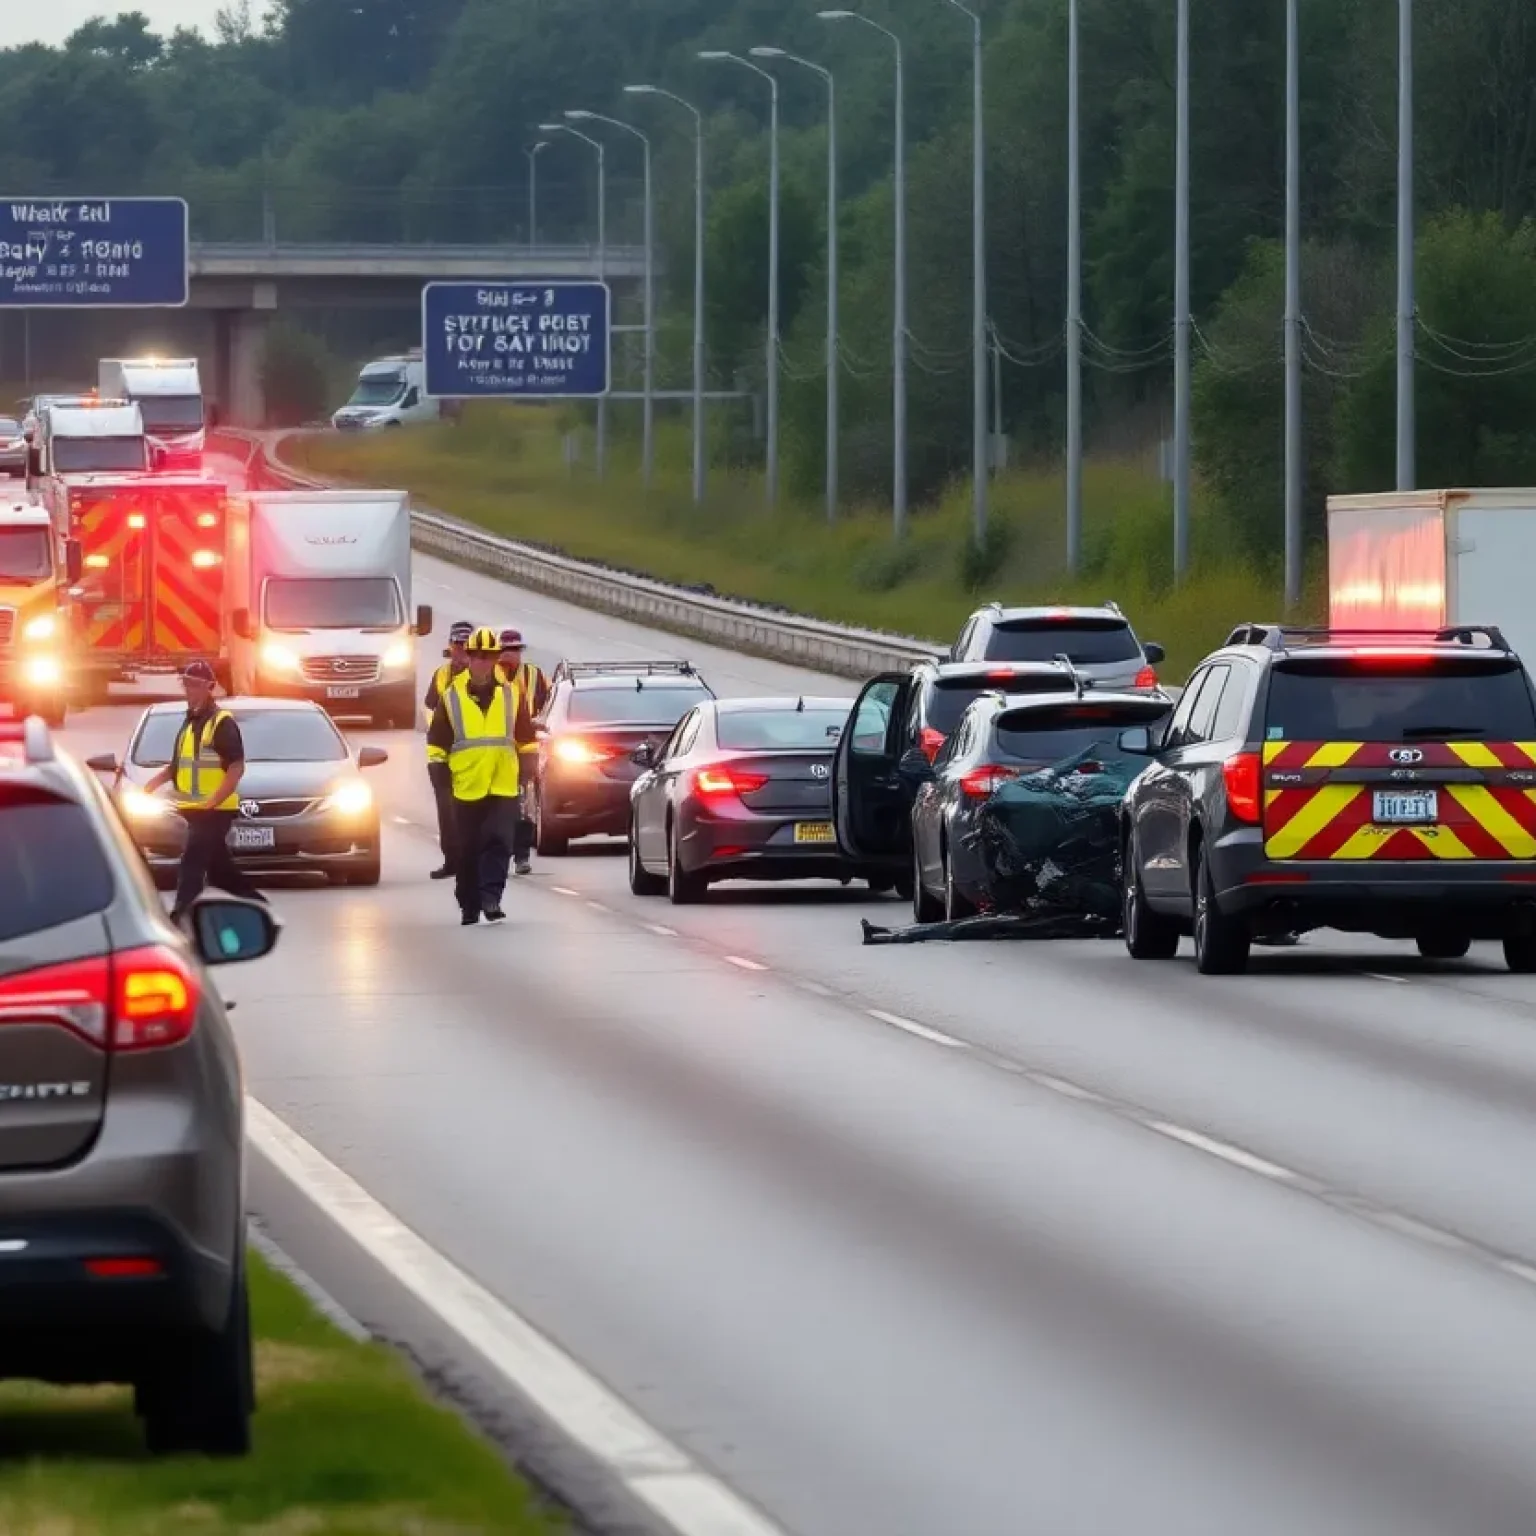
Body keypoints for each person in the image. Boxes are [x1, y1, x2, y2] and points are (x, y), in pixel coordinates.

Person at [141, 660, 269, 925]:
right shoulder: (190, 721)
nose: (189, 689)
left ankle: (180, 916)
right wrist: (154, 783)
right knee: (221, 872)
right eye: (186, 684)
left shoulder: (221, 723)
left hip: (215, 811)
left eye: (196, 685)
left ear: (210, 688)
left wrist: (214, 801)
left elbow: (236, 766)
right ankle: (259, 906)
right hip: (195, 810)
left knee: (192, 861)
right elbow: (178, 764)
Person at [427, 626, 536, 925]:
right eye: (478, 656)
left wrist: (528, 766)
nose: (483, 662)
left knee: (500, 841)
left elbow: (526, 737)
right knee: (468, 848)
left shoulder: (512, 695)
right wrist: (439, 776)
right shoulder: (451, 698)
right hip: (466, 784)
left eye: (489, 657)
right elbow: (437, 744)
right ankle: (469, 903)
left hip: (503, 783)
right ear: (468, 658)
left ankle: (491, 899)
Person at [422, 620, 474, 879]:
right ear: (450, 646)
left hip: (475, 757)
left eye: (466, 646)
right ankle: (451, 860)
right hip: (443, 756)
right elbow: (430, 708)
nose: (461, 650)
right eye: (457, 644)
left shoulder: (483, 678)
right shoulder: (441, 675)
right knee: (447, 812)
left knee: (475, 812)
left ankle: (473, 861)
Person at [496, 627, 550, 876]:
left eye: (515, 650)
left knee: (523, 805)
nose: (510, 655)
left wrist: (539, 722)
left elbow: (548, 705)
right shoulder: (490, 676)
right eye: (506, 650)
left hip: (526, 749)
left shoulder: (534, 675)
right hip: (495, 750)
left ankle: (521, 857)